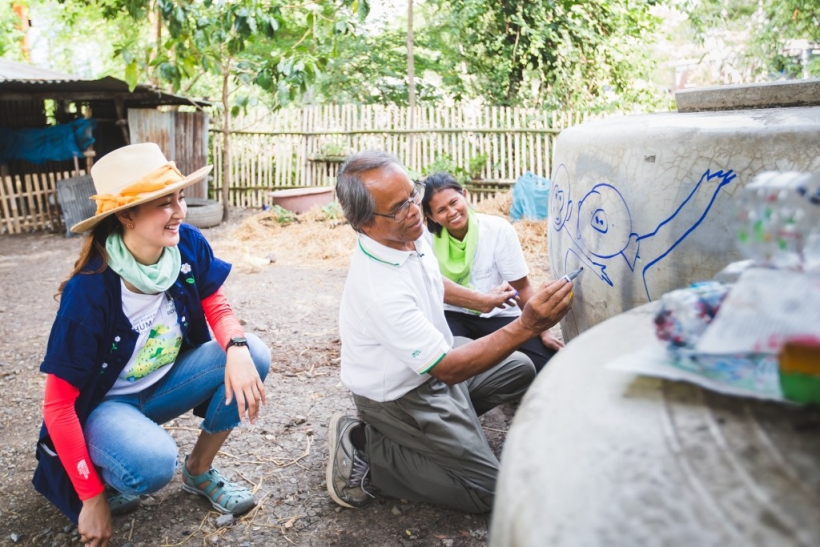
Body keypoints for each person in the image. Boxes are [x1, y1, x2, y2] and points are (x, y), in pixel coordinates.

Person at [33, 143, 271, 547]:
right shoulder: (88, 293)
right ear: (126, 215)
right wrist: (90, 498)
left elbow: (213, 299)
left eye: (180, 197)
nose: (180, 212)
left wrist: (235, 345)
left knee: (254, 353)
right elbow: (57, 406)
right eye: (164, 203)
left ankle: (199, 470)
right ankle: (108, 474)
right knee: (154, 464)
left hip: (163, 386)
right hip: (106, 406)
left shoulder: (185, 244)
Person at [326, 150, 574, 513]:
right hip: (404, 394)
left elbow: (431, 278)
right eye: (399, 207)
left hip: (434, 361)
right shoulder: (379, 289)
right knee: (492, 495)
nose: (414, 209)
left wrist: (481, 301)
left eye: (413, 194)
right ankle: (369, 445)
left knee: (520, 367)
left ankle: (442, 437)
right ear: (364, 223)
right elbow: (448, 369)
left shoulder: (407, 235)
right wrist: (528, 324)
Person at [421, 172, 563, 372]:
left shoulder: (497, 229)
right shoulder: (424, 240)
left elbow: (522, 287)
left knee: (548, 365)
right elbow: (431, 288)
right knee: (453, 365)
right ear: (430, 216)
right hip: (452, 315)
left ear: (465, 195)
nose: (452, 212)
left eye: (454, 202)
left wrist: (543, 331)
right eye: (441, 210)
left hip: (500, 314)